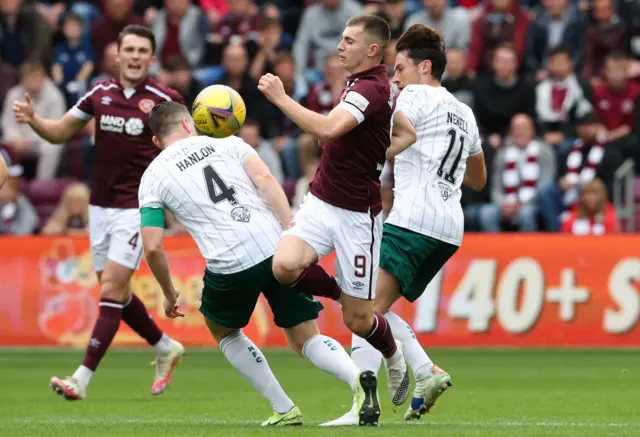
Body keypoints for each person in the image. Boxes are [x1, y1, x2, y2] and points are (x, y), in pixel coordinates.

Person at [140, 102, 380, 427]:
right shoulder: (229, 142)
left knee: (223, 329)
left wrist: (169, 292)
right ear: (188, 124)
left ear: (156, 142)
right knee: (305, 336)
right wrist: (291, 231)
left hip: (230, 262)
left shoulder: (152, 177)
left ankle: (284, 408)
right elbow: (266, 179)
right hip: (274, 245)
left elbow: (153, 245)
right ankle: (358, 381)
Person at [324, 24, 487, 426]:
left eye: (399, 69)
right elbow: (479, 178)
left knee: (361, 310)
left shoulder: (412, 96)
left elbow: (386, 132)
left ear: (424, 66)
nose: (394, 78)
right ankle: (422, 370)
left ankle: (376, 399)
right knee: (369, 308)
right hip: (448, 226)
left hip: (412, 218)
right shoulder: (464, 111)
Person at [12, 24, 185, 401]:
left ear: (152, 59)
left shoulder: (163, 99)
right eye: (130, 50)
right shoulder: (99, 93)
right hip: (100, 207)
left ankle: (81, 378)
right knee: (117, 296)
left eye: (143, 51)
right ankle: (163, 346)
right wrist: (34, 120)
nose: (136, 56)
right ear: (117, 55)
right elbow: (59, 133)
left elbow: (184, 148)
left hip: (136, 207)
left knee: (109, 290)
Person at [258, 15, 410, 410]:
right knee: (284, 266)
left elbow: (326, 130)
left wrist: (280, 97)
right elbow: (405, 134)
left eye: (348, 41)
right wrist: (374, 152)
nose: (339, 46)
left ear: (372, 50)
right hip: (322, 201)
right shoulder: (374, 85)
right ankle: (342, 292)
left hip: (358, 217)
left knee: (359, 321)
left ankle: (393, 356)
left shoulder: (372, 88)